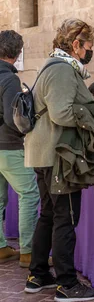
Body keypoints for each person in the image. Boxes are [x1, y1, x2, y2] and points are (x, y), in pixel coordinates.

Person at [24, 18, 94, 302]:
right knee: (65, 219)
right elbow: (60, 113)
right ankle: (67, 284)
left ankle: (38, 275)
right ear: (76, 45)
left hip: (45, 153)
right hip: (58, 156)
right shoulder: (61, 71)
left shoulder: (52, 66)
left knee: (49, 215)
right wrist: (91, 119)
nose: (90, 51)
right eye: (89, 46)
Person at [0, 30, 40, 266]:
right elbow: (12, 117)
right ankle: (28, 252)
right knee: (29, 194)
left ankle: (2, 248)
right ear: (17, 53)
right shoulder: (9, 78)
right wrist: (24, 132)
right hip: (8, 145)